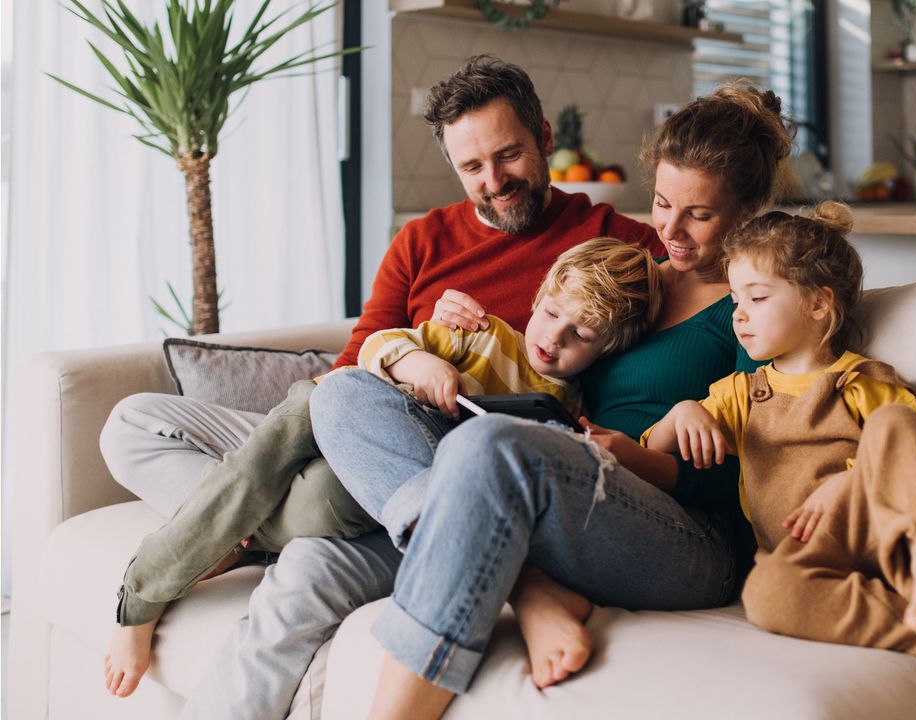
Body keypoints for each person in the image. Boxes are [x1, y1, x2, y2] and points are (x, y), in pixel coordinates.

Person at [96, 54, 661, 718]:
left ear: (543, 137)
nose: (495, 182)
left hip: (440, 473)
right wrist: (405, 365)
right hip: (361, 419)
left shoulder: (614, 247)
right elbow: (353, 363)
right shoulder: (422, 239)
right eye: (472, 168)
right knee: (134, 422)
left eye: (508, 156)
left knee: (304, 568)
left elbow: (713, 285)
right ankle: (233, 518)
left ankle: (224, 525)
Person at [306, 83, 792, 717]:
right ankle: (530, 586)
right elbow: (549, 352)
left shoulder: (757, 306)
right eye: (662, 203)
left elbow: (767, 477)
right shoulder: (632, 274)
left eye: (698, 215)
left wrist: (649, 452)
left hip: (692, 540)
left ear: (751, 208)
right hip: (573, 491)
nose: (669, 232)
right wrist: (462, 337)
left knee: (488, 447)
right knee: (343, 394)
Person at [101, 238, 661, 698]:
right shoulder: (482, 334)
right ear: (538, 297)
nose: (553, 338)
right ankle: (234, 527)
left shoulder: (568, 418)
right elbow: (379, 345)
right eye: (551, 314)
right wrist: (417, 360)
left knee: (320, 496)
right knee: (134, 421)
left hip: (372, 483)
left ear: (608, 348)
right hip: (319, 418)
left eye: (580, 336)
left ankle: (197, 551)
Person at [643, 203, 916, 677]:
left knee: (895, 421)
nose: (740, 316)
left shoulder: (860, 380)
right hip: (806, 555)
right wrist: (683, 411)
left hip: (883, 533)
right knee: (765, 595)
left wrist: (849, 483)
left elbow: (914, 455)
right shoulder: (740, 394)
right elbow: (654, 447)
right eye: (735, 301)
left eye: (758, 298)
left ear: (818, 303)